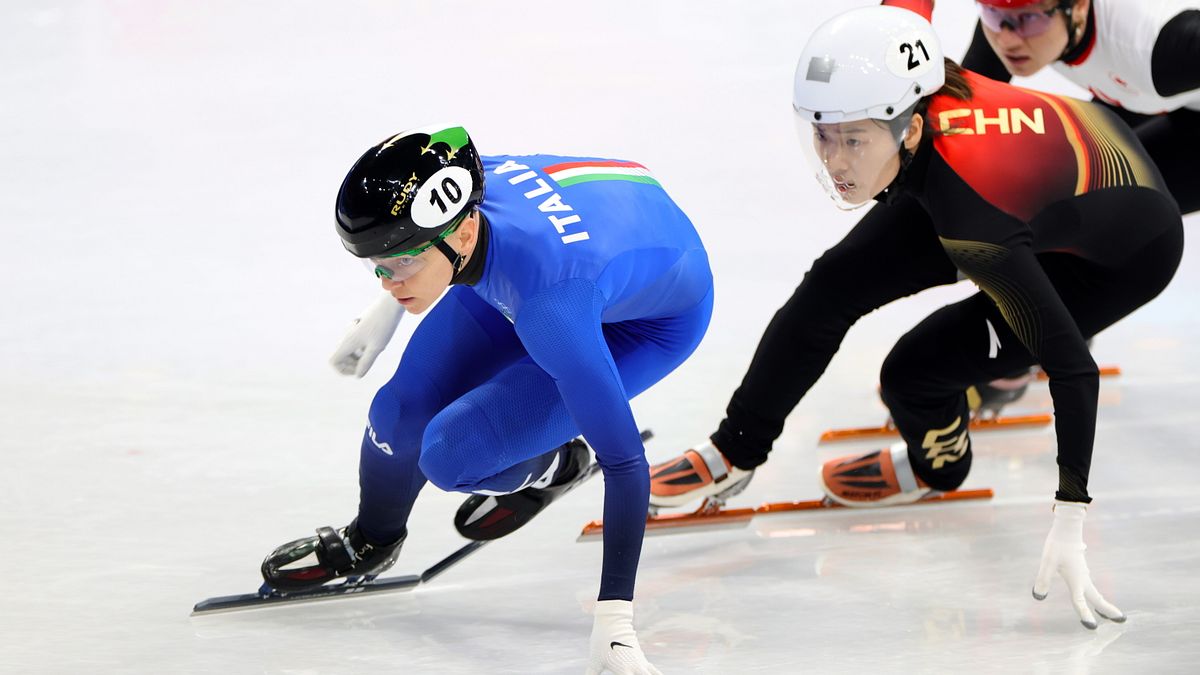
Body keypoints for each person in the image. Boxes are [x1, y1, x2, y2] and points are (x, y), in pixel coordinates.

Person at [649, 5, 1183, 630]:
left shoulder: (973, 216)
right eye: (823, 135)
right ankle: (736, 452)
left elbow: (1072, 369)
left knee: (913, 371)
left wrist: (1070, 518)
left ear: (907, 128)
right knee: (833, 283)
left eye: (854, 140)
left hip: (1118, 258)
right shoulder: (901, 67)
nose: (836, 163)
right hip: (1021, 181)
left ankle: (940, 467)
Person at [261, 125, 713, 674]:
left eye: (402, 264)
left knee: (452, 454)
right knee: (399, 412)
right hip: (588, 243)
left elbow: (626, 464)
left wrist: (615, 619)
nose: (387, 280)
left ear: (464, 232)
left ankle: (558, 464)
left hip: (642, 320)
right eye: (375, 265)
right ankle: (371, 541)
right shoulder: (463, 192)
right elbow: (422, 231)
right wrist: (387, 309)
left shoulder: (551, 307)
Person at [963, 0, 1200, 215]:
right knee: (1051, 187)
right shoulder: (1005, 23)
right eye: (991, 13)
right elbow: (962, 115)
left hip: (1163, 81)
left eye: (1031, 18)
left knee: (1107, 210)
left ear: (1079, 7)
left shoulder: (1160, 43)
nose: (1006, 41)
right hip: (1139, 94)